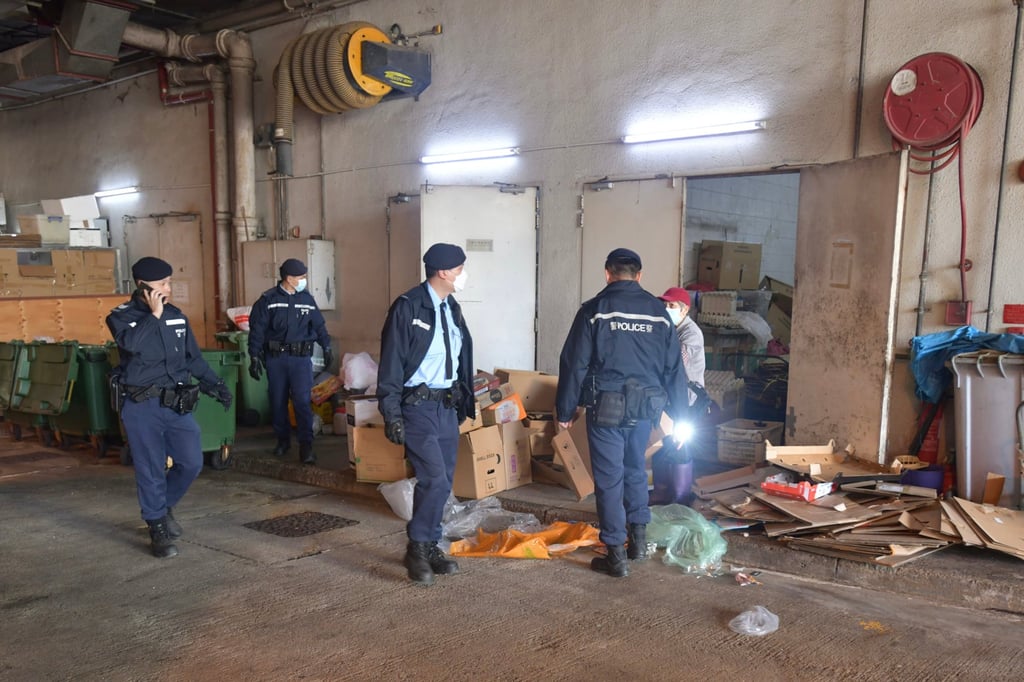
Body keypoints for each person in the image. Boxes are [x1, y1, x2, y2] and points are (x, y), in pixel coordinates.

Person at [555, 248, 689, 578]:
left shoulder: (594, 310)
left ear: (607, 273)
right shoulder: (659, 314)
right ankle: (638, 542)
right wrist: (680, 415)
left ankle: (615, 553)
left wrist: (565, 409)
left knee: (609, 478)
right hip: (645, 409)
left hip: (606, 409)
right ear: (639, 275)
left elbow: (574, 363)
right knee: (635, 470)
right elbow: (674, 369)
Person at [107, 256, 233, 559]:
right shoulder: (121, 317)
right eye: (162, 283)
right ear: (143, 286)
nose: (168, 288)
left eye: (169, 282)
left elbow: (192, 359)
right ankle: (157, 527)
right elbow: (131, 345)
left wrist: (215, 384)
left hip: (175, 403)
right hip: (141, 405)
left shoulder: (177, 317)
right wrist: (154, 316)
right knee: (150, 468)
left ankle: (162, 507)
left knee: (191, 462)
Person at [377, 243, 475, 586]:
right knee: (433, 478)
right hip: (417, 408)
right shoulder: (408, 307)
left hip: (446, 407)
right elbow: (391, 363)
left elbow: (460, 359)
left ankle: (431, 543)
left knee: (444, 480)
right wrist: (391, 413)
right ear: (444, 272)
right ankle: (417, 546)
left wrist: (463, 402)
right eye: (460, 269)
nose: (463, 275)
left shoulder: (452, 308)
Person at [247, 258, 332, 465]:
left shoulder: (307, 299)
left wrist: (327, 346)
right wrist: (254, 356)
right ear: (289, 278)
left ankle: (306, 446)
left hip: (300, 360)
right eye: (301, 277)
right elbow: (257, 330)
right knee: (278, 402)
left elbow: (319, 326)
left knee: (302, 402)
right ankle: (282, 440)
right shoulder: (268, 300)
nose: (304, 280)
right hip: (276, 359)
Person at [658, 287, 706, 404]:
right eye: (664, 305)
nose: (666, 309)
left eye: (671, 306)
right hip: (671, 392)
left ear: (684, 310)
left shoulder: (691, 333)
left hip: (687, 397)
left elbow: (677, 361)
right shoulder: (669, 328)